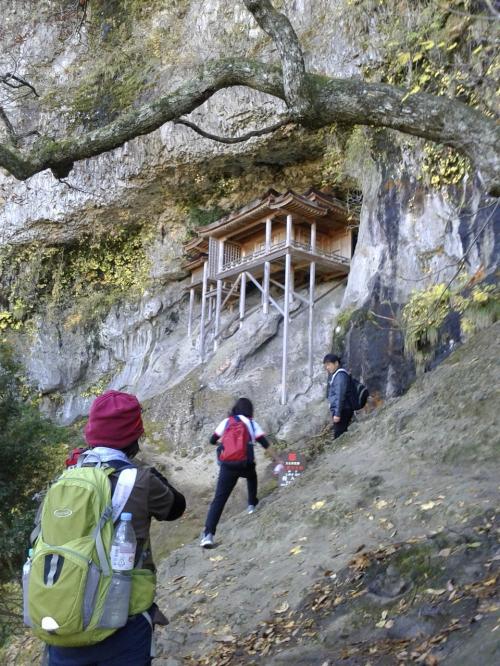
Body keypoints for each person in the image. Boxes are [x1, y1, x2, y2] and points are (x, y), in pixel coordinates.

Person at [47, 390, 186, 666]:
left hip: (64, 618)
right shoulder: (141, 479)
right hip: (123, 624)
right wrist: (142, 468)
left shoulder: (65, 479)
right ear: (134, 437)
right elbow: (176, 507)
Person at [200, 397, 278, 548]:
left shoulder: (227, 421)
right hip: (244, 464)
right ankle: (251, 505)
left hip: (227, 465)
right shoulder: (252, 424)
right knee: (252, 476)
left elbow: (212, 440)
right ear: (250, 410)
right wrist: (278, 459)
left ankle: (208, 535)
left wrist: (222, 443)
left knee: (219, 500)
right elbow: (264, 443)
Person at [323, 353, 355, 439]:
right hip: (342, 409)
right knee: (340, 434)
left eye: (329, 364)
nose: (327, 367)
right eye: (326, 365)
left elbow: (340, 396)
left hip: (343, 410)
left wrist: (337, 414)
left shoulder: (340, 376)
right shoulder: (337, 375)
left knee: (339, 436)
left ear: (336, 363)